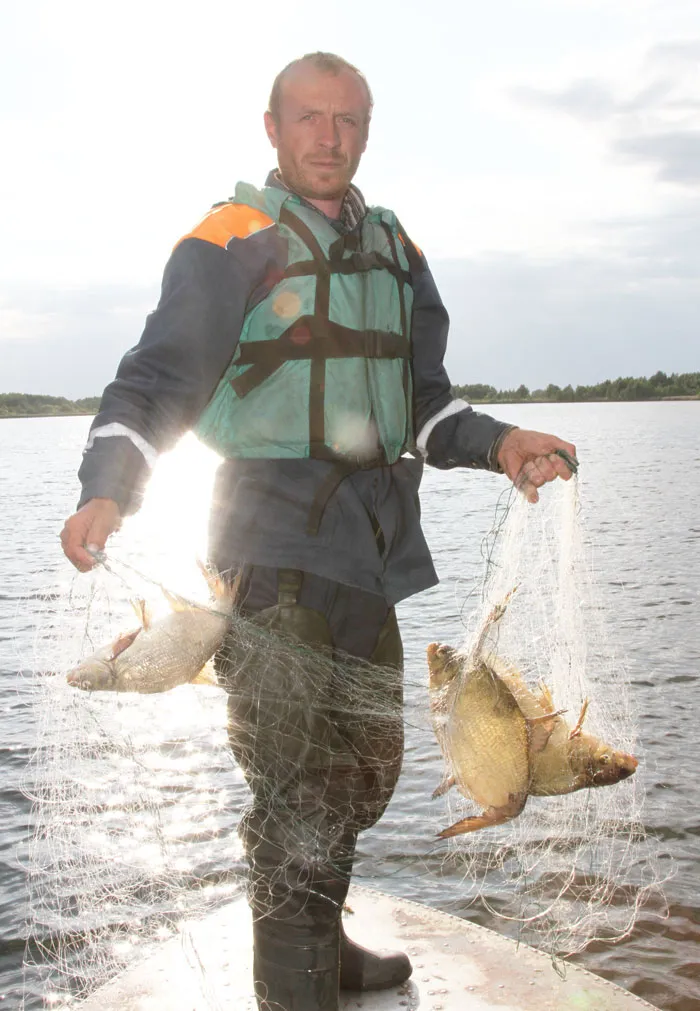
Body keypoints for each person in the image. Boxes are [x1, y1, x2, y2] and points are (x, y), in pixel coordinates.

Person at [61, 52, 577, 1011]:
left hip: (369, 558)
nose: (328, 137)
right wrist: (108, 489)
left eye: (346, 120)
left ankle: (325, 945)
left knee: (363, 774)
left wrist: (503, 441)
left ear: (367, 130)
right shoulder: (231, 239)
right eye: (308, 118)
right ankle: (293, 991)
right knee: (296, 788)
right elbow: (153, 381)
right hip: (268, 555)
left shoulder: (398, 250)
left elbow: (424, 406)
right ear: (272, 128)